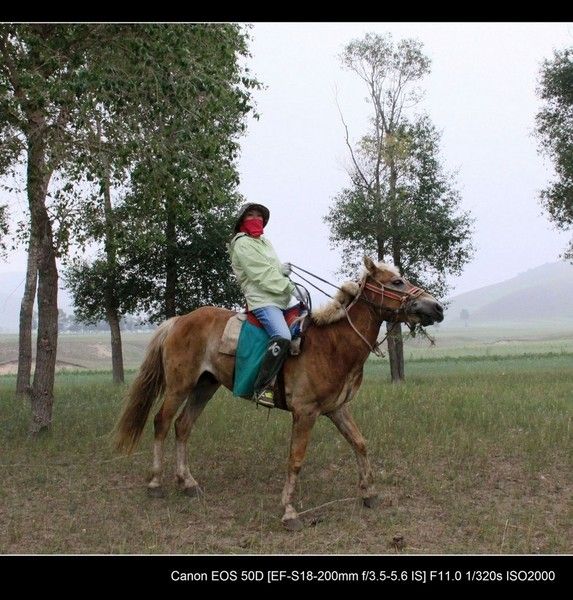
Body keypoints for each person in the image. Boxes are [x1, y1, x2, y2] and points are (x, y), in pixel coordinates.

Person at [229, 203, 302, 408]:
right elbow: (260, 274)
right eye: (250, 215)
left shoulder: (264, 243)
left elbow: (270, 268)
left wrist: (282, 268)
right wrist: (290, 287)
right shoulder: (241, 244)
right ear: (242, 220)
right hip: (262, 301)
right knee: (283, 336)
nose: (256, 218)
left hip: (279, 300)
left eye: (259, 216)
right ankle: (262, 387)